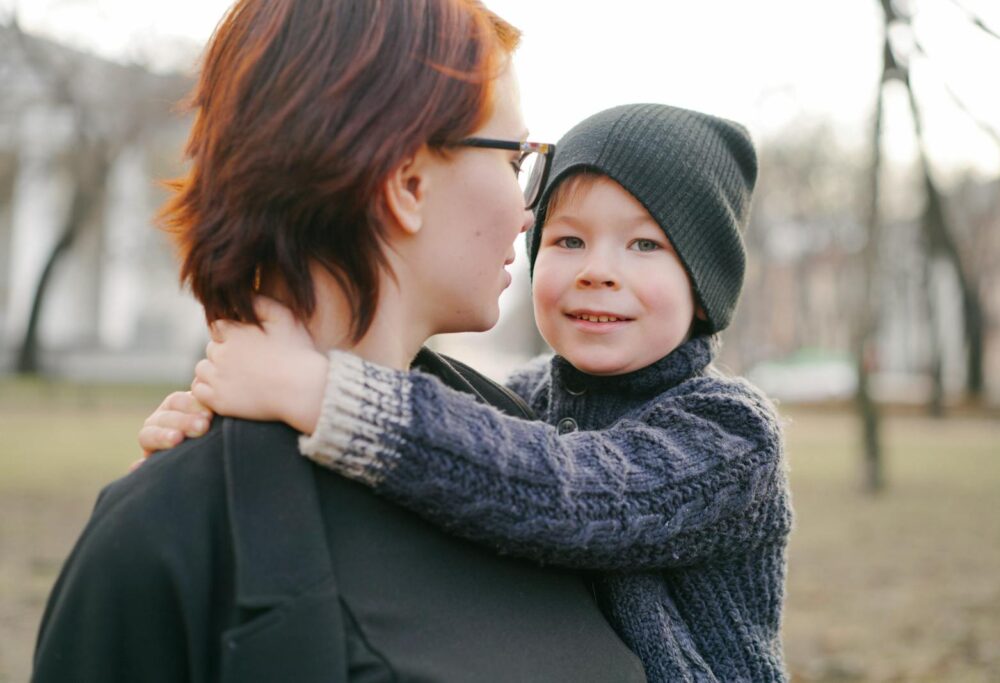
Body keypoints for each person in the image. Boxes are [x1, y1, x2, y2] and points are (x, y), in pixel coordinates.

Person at [32, 1, 650, 681]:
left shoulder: (522, 452)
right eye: (515, 159)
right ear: (407, 183)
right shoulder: (162, 538)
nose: (526, 210)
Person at [142, 104, 795, 681]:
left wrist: (324, 393)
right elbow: (440, 467)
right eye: (568, 239)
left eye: (645, 243)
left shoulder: (730, 432)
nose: (598, 271)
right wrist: (223, 432)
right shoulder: (519, 397)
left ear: (705, 285)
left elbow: (571, 494)